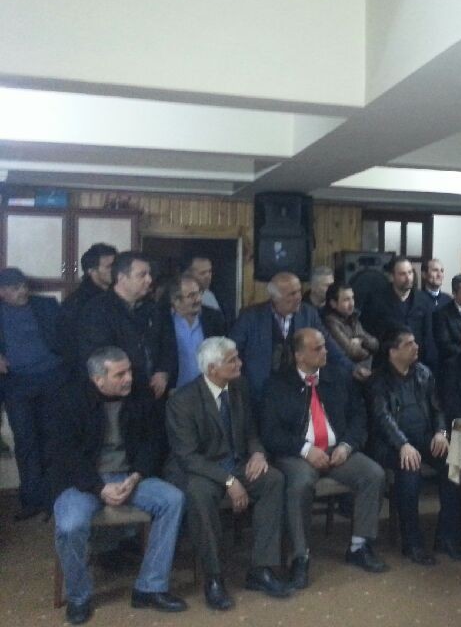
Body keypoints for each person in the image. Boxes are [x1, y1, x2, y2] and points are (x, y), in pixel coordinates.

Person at [50, 348, 186, 624]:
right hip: (85, 482)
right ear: (98, 379)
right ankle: (79, 596)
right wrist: (98, 488)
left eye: (130, 371)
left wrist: (136, 476)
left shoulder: (141, 396)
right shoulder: (69, 400)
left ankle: (150, 587)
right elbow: (65, 455)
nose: (129, 378)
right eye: (120, 374)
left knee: (173, 499)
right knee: (70, 525)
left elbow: (153, 443)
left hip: (129, 477)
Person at [165, 337, 291, 610]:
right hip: (203, 470)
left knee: (273, 480)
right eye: (232, 360)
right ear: (212, 368)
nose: (240, 364)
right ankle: (214, 578)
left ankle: (261, 568)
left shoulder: (239, 387)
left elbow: (252, 432)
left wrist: (258, 453)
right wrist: (229, 480)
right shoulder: (182, 401)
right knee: (199, 495)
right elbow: (188, 457)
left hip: (237, 463)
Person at [260, 329, 387, 587]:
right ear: (299, 355)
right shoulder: (278, 384)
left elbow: (358, 416)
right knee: (300, 485)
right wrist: (305, 450)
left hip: (336, 450)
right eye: (317, 348)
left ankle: (359, 546)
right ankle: (300, 556)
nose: (325, 352)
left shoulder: (338, 376)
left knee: (373, 474)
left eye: (324, 346)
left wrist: (347, 446)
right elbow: (270, 432)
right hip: (297, 454)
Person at [368, 328, 461, 564]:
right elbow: (382, 419)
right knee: (410, 469)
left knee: (453, 463)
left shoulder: (424, 373)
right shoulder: (378, 380)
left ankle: (446, 536)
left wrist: (441, 433)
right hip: (391, 445)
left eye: (415, 342)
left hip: (424, 438)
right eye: (409, 344)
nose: (416, 347)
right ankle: (412, 542)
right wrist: (402, 444)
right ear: (393, 352)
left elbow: (438, 409)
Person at [230, 271, 356, 405]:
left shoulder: (309, 314)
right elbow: (232, 352)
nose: (299, 297)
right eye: (292, 294)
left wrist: (352, 368)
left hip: (299, 392)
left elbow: (329, 346)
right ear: (275, 298)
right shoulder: (250, 317)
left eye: (299, 291)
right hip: (258, 393)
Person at [0, 266, 65, 520]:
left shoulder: (46, 305)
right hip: (16, 383)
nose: (23, 292)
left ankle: (54, 500)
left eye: (24, 286)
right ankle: (31, 500)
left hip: (51, 379)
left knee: (52, 440)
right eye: (15, 288)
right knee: (26, 443)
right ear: (2, 292)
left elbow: (66, 335)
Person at [78, 252, 176, 400]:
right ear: (122, 278)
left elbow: (168, 343)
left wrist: (163, 371)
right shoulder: (97, 310)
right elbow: (98, 356)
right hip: (116, 394)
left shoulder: (153, 308)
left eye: (149, 274)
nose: (149, 280)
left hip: (154, 392)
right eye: (142, 275)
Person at [362, 256, 438, 370]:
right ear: (392, 277)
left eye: (410, 273)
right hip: (385, 364)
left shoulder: (423, 300)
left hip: (417, 364)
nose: (408, 278)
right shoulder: (376, 300)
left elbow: (428, 336)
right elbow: (367, 331)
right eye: (403, 274)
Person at [59, 243, 117, 376]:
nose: (115, 270)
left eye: (116, 265)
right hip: (91, 371)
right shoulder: (77, 303)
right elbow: (70, 346)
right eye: (109, 266)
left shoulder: (116, 295)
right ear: (91, 271)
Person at [165, 274, 227, 390]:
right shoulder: (164, 322)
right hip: (175, 392)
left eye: (199, 293)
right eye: (192, 295)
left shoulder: (213, 318)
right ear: (176, 300)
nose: (198, 299)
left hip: (208, 391)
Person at [323, 281, 379, 374]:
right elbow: (352, 352)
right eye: (346, 300)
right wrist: (369, 352)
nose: (352, 303)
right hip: (344, 374)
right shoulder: (330, 322)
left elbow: (375, 344)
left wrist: (361, 341)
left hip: (363, 371)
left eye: (352, 298)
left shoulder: (353, 318)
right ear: (333, 303)